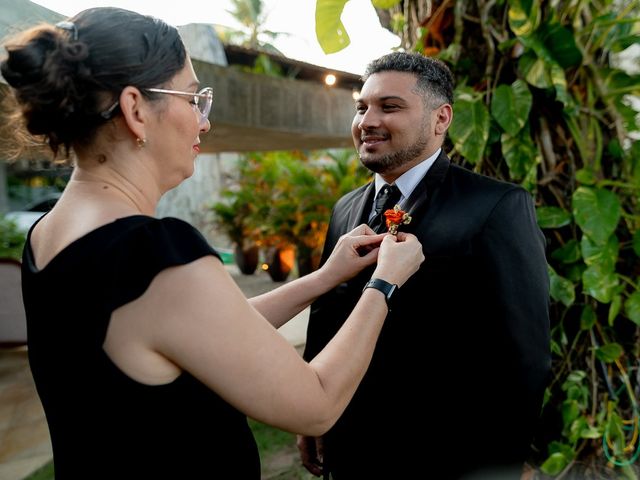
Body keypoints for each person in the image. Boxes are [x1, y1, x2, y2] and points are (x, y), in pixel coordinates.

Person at [0, 8, 425, 478]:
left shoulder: (48, 235)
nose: (203, 122)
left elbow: (211, 332)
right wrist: (383, 283)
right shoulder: (153, 253)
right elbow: (317, 403)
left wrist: (324, 279)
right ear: (135, 109)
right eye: (193, 98)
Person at [298, 51, 551, 479]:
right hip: (351, 447)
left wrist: (500, 465)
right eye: (361, 107)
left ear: (441, 119)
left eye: (389, 107)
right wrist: (309, 411)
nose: (367, 121)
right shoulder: (346, 209)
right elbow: (327, 316)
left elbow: (523, 356)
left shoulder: (495, 206)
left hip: (448, 455)